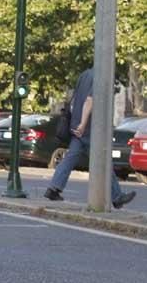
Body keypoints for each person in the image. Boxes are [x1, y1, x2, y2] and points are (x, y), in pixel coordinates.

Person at [44, 66, 135, 209]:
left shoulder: (84, 74)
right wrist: (83, 123)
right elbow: (89, 100)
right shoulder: (101, 77)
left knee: (70, 158)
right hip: (89, 128)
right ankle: (117, 197)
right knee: (103, 161)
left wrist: (77, 123)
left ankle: (53, 188)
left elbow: (76, 98)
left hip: (76, 124)